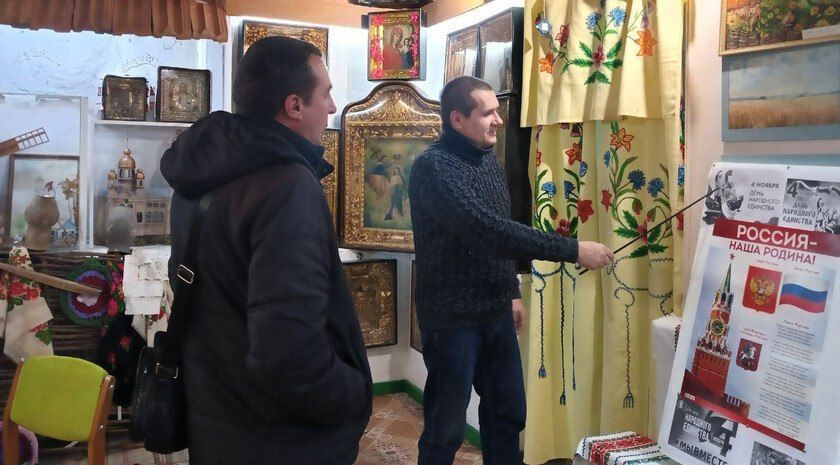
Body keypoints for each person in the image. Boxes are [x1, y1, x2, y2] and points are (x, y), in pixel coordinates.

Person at [160, 36, 372, 465]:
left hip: (218, 421)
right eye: (326, 94)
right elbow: (289, 354)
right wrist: (353, 396)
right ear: (294, 106)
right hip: (279, 438)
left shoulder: (201, 176)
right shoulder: (287, 186)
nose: (332, 107)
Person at [409, 76, 613, 465]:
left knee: (508, 413)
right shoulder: (432, 168)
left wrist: (512, 291)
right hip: (451, 320)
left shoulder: (487, 159)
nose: (499, 120)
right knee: (445, 427)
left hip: (495, 312)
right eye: (487, 113)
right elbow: (487, 230)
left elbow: (499, 230)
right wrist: (573, 250)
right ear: (457, 119)